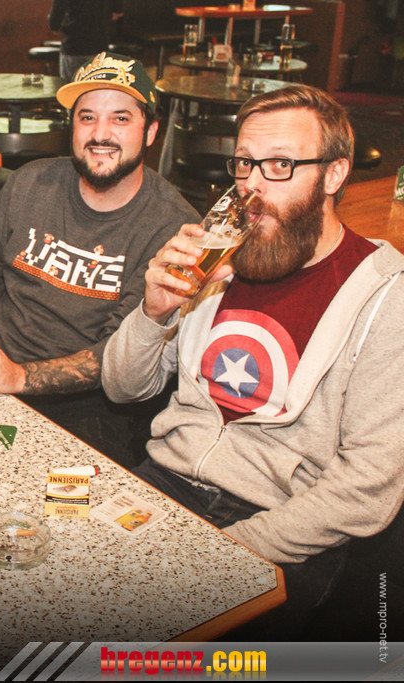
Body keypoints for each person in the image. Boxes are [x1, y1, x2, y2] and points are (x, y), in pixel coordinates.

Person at [102, 84, 404, 634]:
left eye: (280, 165)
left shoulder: (386, 295)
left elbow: (368, 489)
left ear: (333, 175)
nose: (253, 187)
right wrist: (153, 312)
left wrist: (228, 549)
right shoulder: (215, 258)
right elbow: (123, 388)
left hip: (281, 524)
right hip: (164, 483)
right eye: (245, 164)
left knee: (136, 649)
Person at [0, 52, 200, 465]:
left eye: (120, 119)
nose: (100, 134)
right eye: (87, 117)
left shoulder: (172, 228)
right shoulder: (29, 183)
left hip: (87, 411)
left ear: (151, 132)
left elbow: (117, 354)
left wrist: (18, 376)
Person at [48, 0, 124, 81]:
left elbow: (54, 24)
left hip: (74, 47)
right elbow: (117, 14)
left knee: (72, 87)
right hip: (100, 47)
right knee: (96, 87)